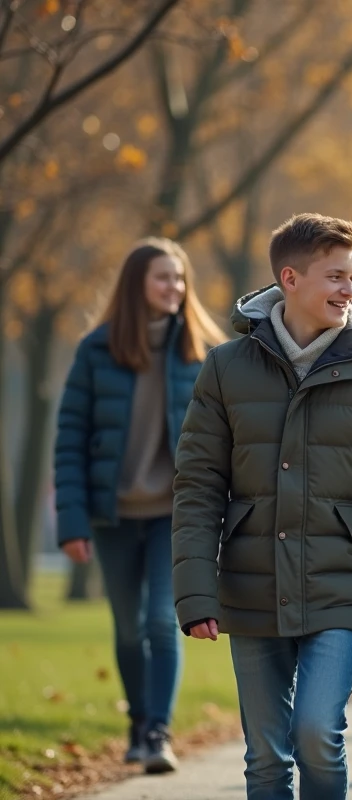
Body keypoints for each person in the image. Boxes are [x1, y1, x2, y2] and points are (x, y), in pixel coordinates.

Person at [171, 213, 352, 800]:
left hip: (340, 587)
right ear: (290, 278)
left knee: (315, 733)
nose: (349, 291)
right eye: (336, 277)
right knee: (264, 755)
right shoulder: (225, 368)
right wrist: (196, 591)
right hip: (251, 587)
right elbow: (198, 487)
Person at [54, 237, 226, 773]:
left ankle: (157, 733)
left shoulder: (203, 352)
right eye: (162, 278)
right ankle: (137, 726)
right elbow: (70, 439)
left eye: (179, 278)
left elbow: (226, 439)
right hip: (113, 515)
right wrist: (72, 520)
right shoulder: (96, 350)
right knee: (127, 627)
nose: (174, 287)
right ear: (137, 284)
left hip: (175, 514)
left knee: (158, 622)